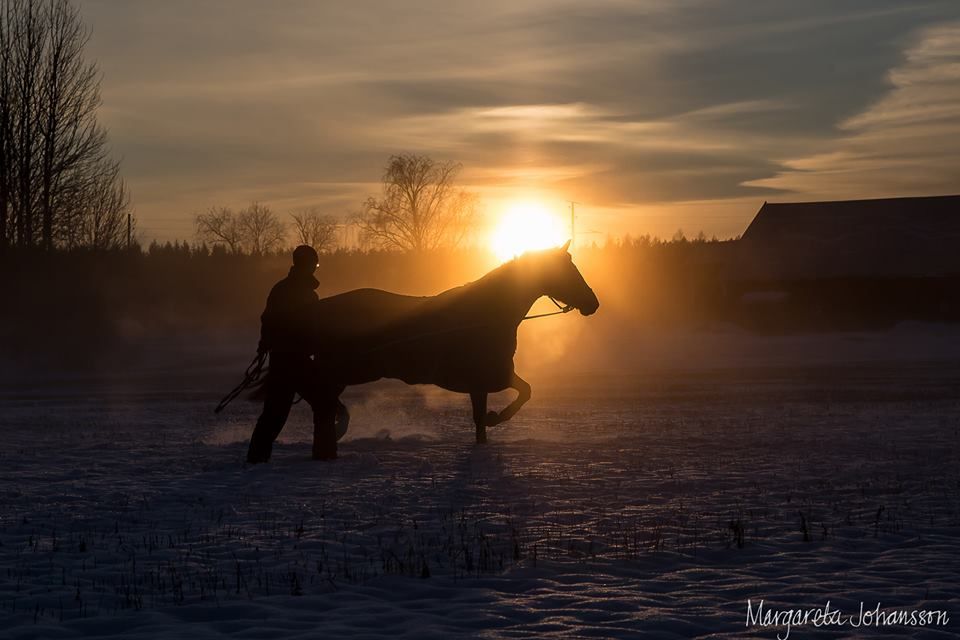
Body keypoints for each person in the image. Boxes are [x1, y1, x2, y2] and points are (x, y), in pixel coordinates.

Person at [246, 245, 336, 463]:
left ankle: (257, 458)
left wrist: (264, 345)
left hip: (286, 360)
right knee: (322, 403)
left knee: (276, 413)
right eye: (314, 264)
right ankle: (324, 455)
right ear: (307, 265)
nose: (315, 268)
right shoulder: (301, 293)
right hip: (294, 361)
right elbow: (306, 326)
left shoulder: (285, 289)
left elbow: (268, 321)